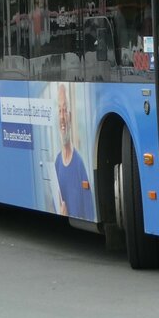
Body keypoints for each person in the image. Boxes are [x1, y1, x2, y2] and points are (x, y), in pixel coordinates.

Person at [54, 83, 94, 220]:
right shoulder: (57, 163)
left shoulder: (79, 164)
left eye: (64, 110)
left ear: (70, 116)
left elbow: (90, 214)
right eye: (59, 110)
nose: (62, 117)